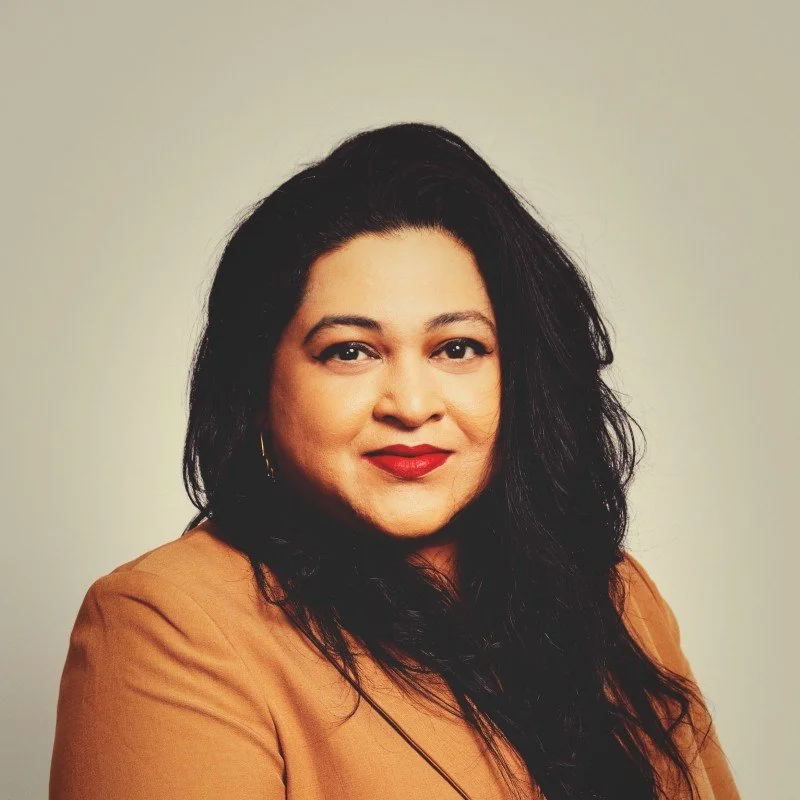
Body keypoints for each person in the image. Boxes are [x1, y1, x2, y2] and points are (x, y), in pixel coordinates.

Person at [49, 122, 741, 800]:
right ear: (254, 388)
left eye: (457, 348)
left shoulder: (613, 591)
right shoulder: (168, 624)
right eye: (349, 351)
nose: (411, 404)